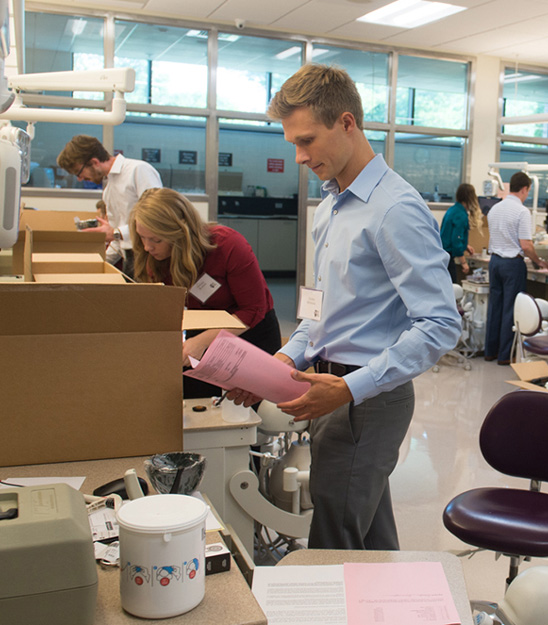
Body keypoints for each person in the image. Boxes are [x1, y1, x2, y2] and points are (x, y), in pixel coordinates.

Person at [228, 64, 458, 551]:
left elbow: (440, 325)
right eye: (293, 143)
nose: (298, 157)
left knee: (335, 541)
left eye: (307, 140)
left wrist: (349, 389)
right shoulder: (330, 206)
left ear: (347, 123)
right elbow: (320, 312)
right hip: (328, 389)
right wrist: (286, 358)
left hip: (367, 397)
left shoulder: (396, 208)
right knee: (367, 532)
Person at [130, 188, 281, 398]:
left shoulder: (228, 245)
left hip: (249, 333)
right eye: (142, 238)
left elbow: (253, 309)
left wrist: (202, 342)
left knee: (245, 412)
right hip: (201, 332)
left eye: (156, 240)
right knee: (195, 404)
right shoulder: (156, 260)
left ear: (180, 233)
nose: (147, 247)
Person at [57, 135, 162, 276]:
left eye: (79, 173)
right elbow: (117, 241)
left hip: (151, 257)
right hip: (130, 260)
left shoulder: (138, 170)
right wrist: (98, 265)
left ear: (94, 162)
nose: (80, 179)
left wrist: (116, 233)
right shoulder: (109, 189)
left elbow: (157, 219)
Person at [484, 172, 548, 365]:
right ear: (524, 189)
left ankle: (490, 351)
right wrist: (539, 262)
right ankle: (505, 355)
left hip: (494, 262)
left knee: (495, 307)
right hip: (512, 264)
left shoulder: (495, 208)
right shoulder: (522, 212)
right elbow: (526, 245)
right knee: (511, 310)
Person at [441, 183, 480, 284]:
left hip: (442, 255)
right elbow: (456, 241)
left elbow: (449, 235)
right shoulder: (461, 215)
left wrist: (465, 245)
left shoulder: (452, 210)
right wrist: (464, 263)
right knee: (452, 288)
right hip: (448, 258)